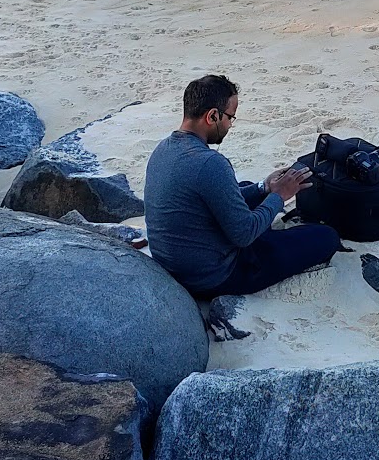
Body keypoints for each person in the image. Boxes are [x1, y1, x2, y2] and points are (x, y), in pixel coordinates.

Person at [144, 74, 340, 297]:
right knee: (326, 237)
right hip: (214, 276)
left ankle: (264, 200)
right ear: (213, 116)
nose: (230, 125)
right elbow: (244, 235)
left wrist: (264, 188)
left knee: (249, 188)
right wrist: (279, 196)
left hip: (177, 262)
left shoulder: (163, 148)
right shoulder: (210, 164)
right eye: (230, 117)